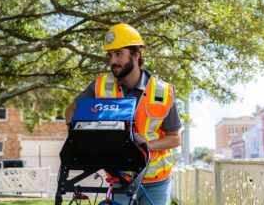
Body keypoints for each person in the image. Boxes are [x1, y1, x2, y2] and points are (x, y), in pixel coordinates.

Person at [65, 23, 182, 205]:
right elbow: (71, 111)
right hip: (121, 180)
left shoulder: (162, 92)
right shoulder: (101, 85)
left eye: (119, 54)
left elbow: (175, 138)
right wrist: (82, 138)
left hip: (157, 183)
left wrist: (148, 145)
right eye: (110, 55)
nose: (112, 61)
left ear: (136, 54)